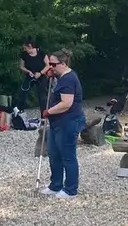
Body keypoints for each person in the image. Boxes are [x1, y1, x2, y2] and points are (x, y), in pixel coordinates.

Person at [37, 49, 84, 199]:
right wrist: (53, 76)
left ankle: (71, 189)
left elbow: (66, 104)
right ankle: (55, 184)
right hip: (57, 123)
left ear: (63, 64)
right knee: (54, 154)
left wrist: (49, 111)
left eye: (53, 64)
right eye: (49, 64)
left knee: (67, 156)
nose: (50, 67)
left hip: (68, 122)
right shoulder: (61, 76)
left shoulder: (69, 79)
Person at [17, 41, 47, 113]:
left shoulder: (41, 53)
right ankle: (20, 111)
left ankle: (43, 115)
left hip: (41, 76)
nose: (24, 50)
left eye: (25, 48)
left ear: (30, 46)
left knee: (42, 95)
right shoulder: (24, 55)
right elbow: (21, 66)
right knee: (23, 92)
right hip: (30, 75)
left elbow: (48, 65)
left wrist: (40, 73)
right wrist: (28, 71)